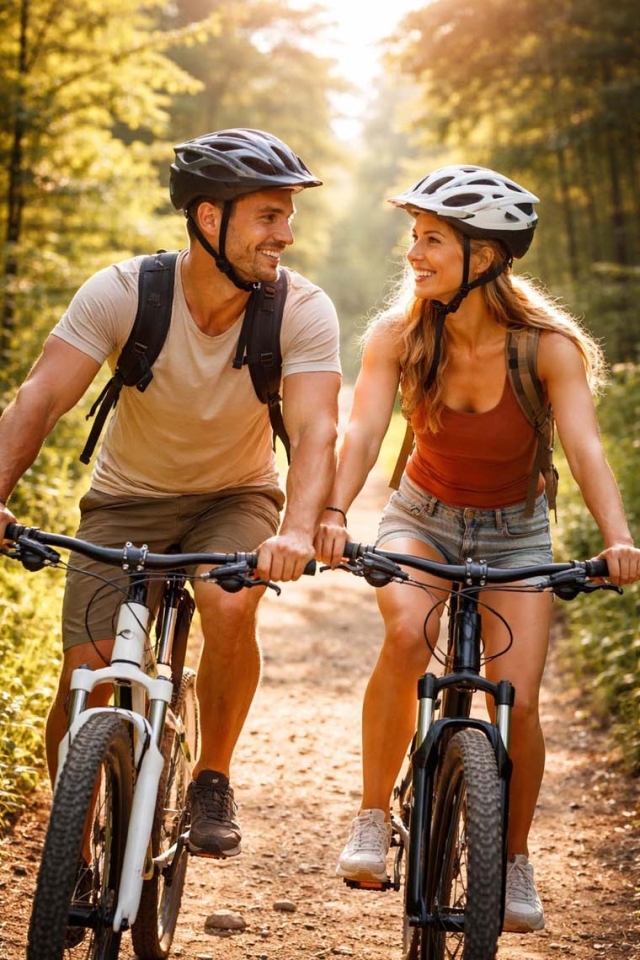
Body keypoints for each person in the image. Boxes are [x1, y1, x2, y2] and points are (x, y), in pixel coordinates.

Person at [314, 164, 640, 932]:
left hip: (516, 531)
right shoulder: (398, 335)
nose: (414, 255)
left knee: (515, 698)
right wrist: (331, 510)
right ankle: (371, 816)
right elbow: (362, 431)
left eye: (433, 241)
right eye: (414, 238)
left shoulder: (547, 349)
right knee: (405, 632)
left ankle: (515, 856)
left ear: (485, 258)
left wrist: (620, 540)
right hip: (419, 516)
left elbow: (587, 450)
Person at [0, 128, 341, 860]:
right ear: (208, 218)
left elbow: (317, 431)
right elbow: (39, 400)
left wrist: (298, 530)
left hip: (237, 495)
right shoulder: (125, 291)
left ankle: (212, 775)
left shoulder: (301, 310)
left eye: (288, 216)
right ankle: (73, 841)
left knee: (226, 601)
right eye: (269, 216)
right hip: (126, 501)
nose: (286, 234)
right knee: (86, 672)